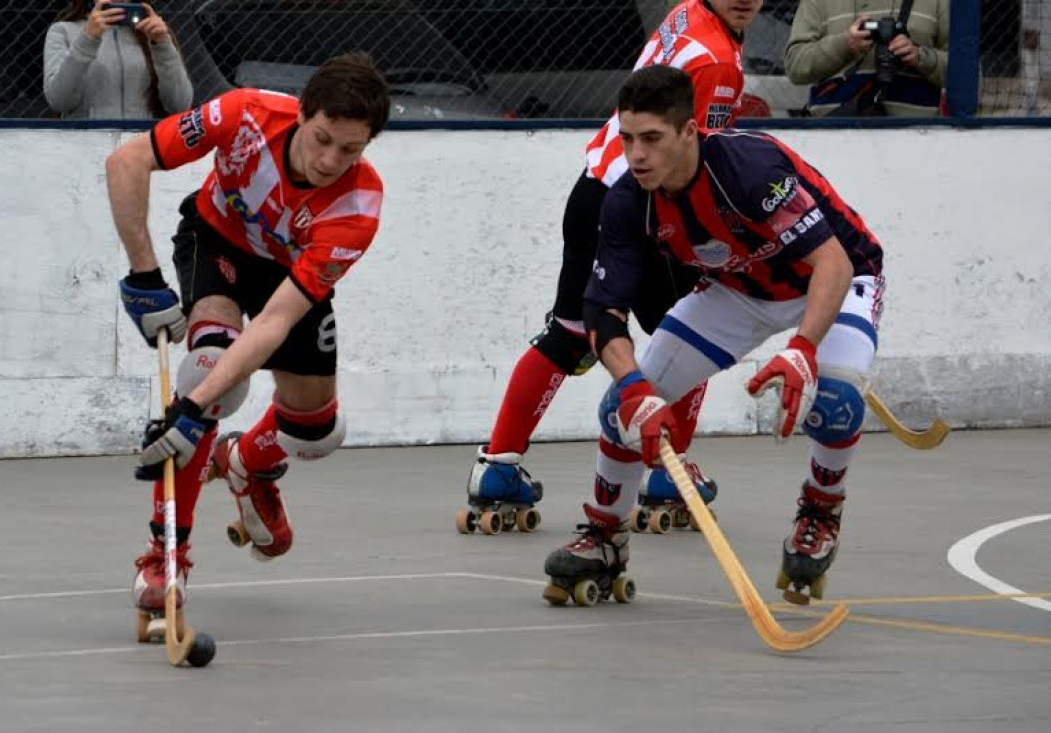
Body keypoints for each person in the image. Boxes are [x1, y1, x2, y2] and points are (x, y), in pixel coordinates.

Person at [542, 64, 884, 607]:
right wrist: (635, 387)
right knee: (619, 410)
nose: (636, 156)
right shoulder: (629, 200)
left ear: (688, 130)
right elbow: (604, 310)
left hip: (834, 278)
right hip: (739, 289)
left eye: (651, 139)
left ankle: (820, 509)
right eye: (627, 139)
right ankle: (605, 536)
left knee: (835, 399)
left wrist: (801, 350)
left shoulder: (751, 167)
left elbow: (833, 264)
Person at [105, 53, 390, 625]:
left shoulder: (358, 206)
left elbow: (275, 322)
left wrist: (194, 408)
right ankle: (167, 556)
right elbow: (127, 159)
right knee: (207, 367)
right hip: (218, 244)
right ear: (301, 114)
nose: (330, 160)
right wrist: (142, 274)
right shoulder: (244, 116)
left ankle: (244, 460)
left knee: (317, 433)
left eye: (351, 150)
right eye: (322, 139)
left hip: (288, 279)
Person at [459, 0, 763, 536]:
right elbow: (701, 158)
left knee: (570, 333)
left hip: (592, 189)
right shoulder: (717, 62)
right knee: (693, 333)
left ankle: (497, 466)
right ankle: (669, 476)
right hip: (647, 206)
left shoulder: (687, 11)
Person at [784, 0, 949, 117]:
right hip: (835, 138)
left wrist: (922, 58)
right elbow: (795, 65)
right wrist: (845, 44)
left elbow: (970, 75)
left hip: (918, 138)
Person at [44, 1, 192, 119]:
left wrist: (162, 45)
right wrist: (87, 39)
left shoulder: (151, 31)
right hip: (86, 144)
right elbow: (59, 100)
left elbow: (180, 105)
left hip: (140, 145)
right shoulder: (62, 31)